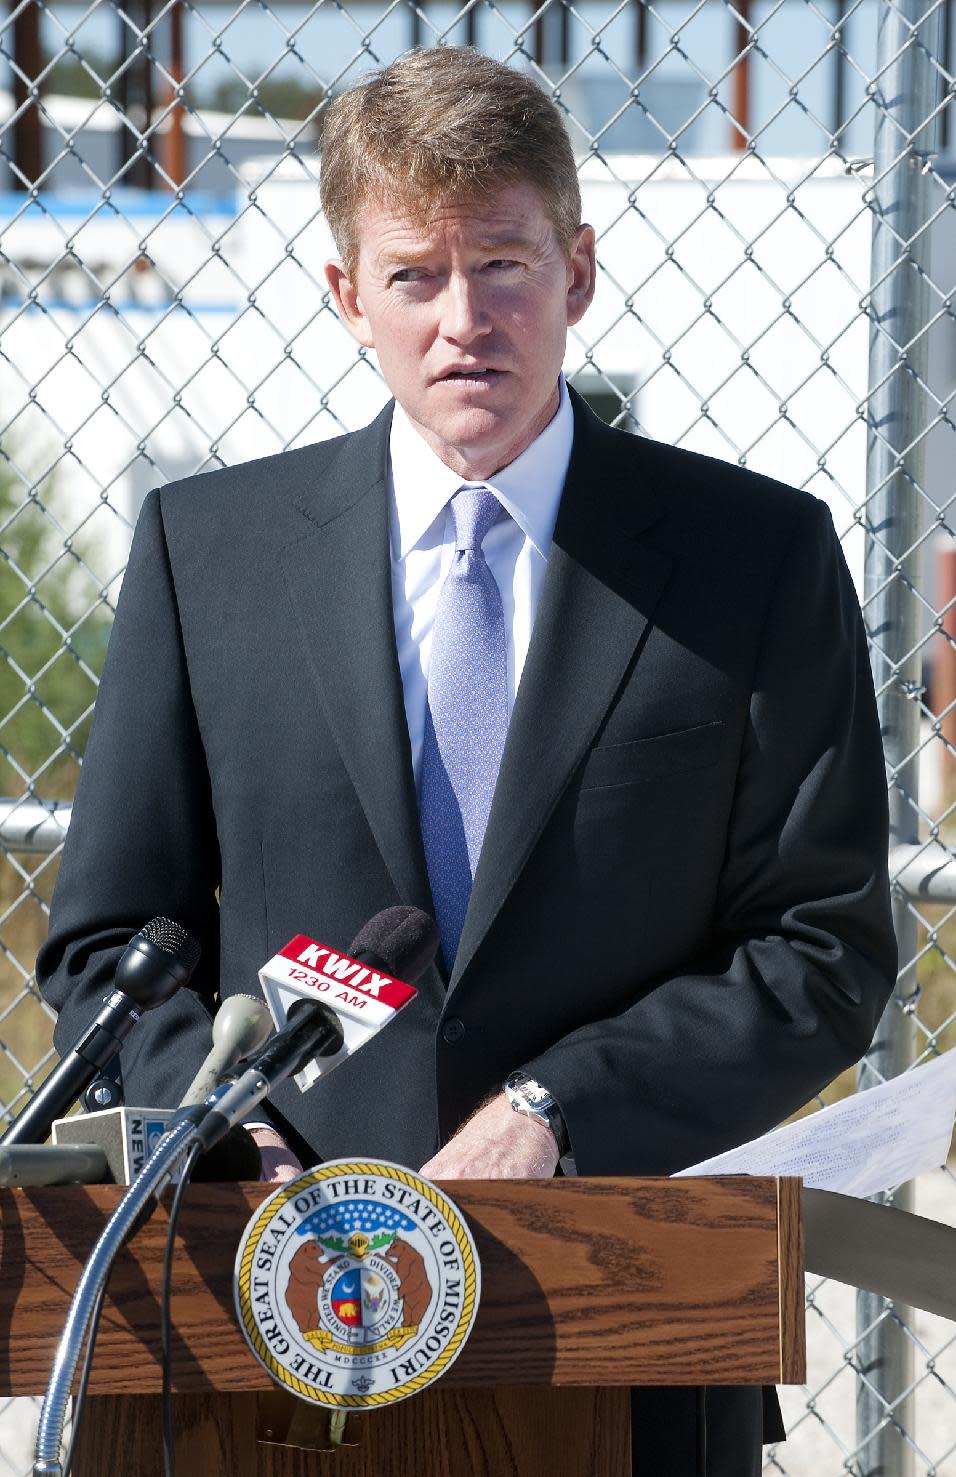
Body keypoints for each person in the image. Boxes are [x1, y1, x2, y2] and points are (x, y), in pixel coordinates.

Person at [36, 46, 896, 1474]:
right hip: (266, 1331)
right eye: (414, 277)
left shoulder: (755, 558)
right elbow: (112, 945)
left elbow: (820, 949)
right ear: (344, 297)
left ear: (581, 267)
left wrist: (556, 1112)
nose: (464, 321)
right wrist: (224, 1128)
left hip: (622, 1346)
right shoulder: (210, 557)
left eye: (502, 263)